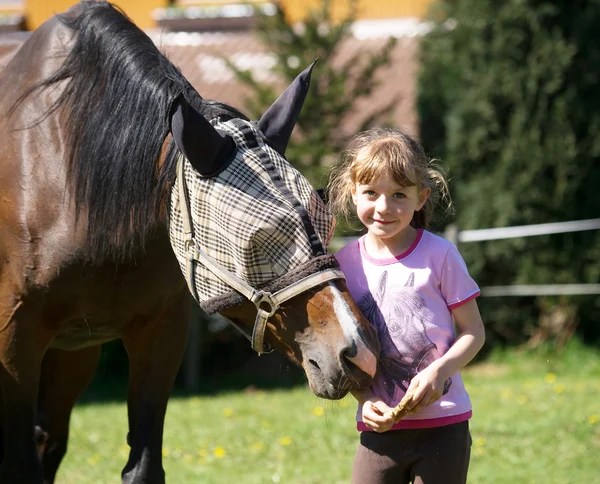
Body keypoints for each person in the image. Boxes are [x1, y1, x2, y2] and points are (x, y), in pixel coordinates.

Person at [326, 128, 485, 484]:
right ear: (353, 193)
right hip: (377, 433)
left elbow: (474, 332)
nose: (384, 207)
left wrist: (439, 371)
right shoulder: (343, 266)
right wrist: (364, 400)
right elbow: (345, 352)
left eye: (399, 194)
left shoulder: (441, 255)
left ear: (421, 198)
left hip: (444, 429)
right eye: (370, 193)